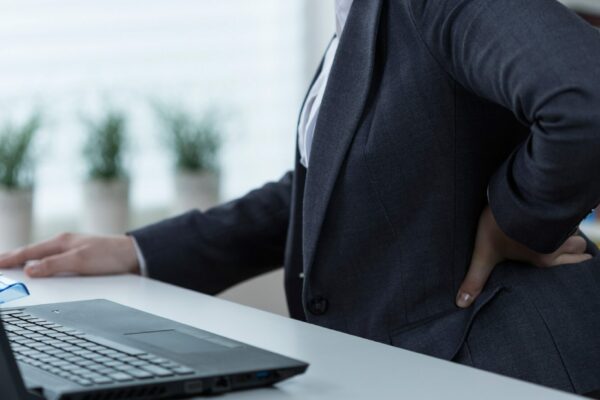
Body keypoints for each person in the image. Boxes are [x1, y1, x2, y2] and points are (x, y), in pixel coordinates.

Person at [2, 0, 600, 394]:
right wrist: (138, 251)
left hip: (497, 365)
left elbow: (585, 101)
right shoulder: (357, 18)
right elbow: (329, 190)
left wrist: (515, 220)